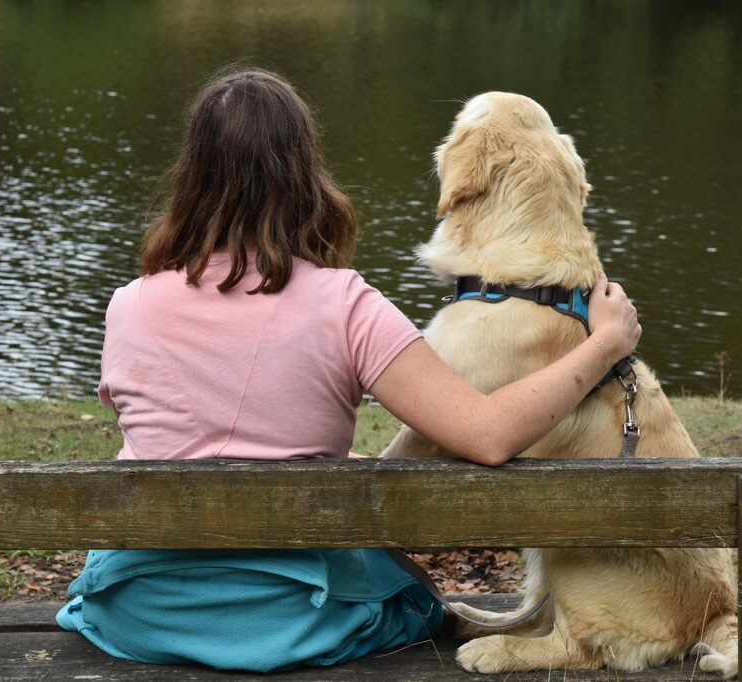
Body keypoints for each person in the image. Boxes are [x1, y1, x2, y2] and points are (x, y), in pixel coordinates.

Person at [56, 68, 641, 673]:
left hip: (137, 612)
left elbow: (184, 432)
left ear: (193, 175)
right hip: (302, 619)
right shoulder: (345, 303)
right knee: (412, 595)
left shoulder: (129, 305)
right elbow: (488, 436)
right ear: (304, 172)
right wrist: (604, 344)